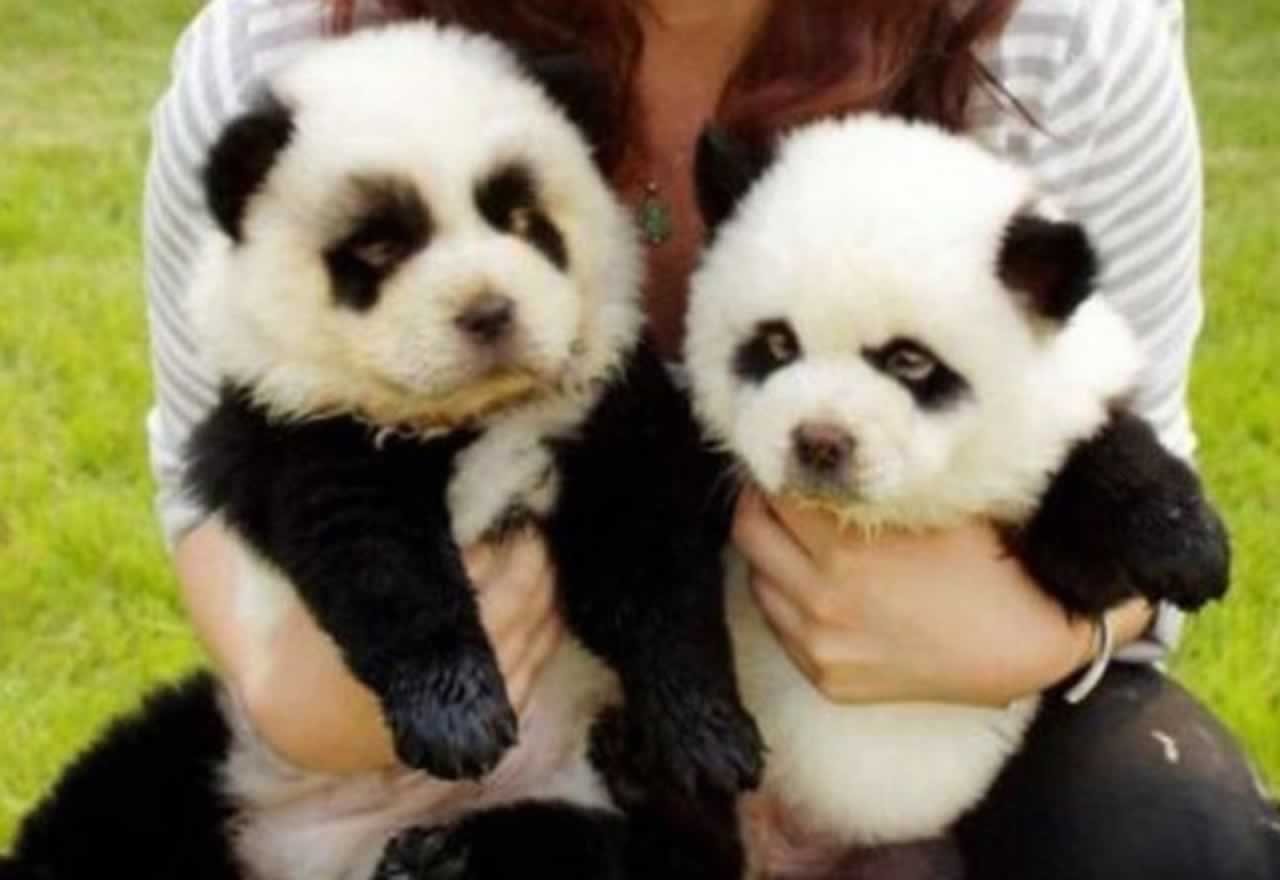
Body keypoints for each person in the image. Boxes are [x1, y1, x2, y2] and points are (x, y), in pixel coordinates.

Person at [142, 0, 1278, 876]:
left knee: (1166, 830)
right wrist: (291, 685)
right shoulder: (281, 52)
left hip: (934, 715)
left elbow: (1136, 458)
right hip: (559, 744)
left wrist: (1035, 632)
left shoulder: (1066, 35)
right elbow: (210, 465)